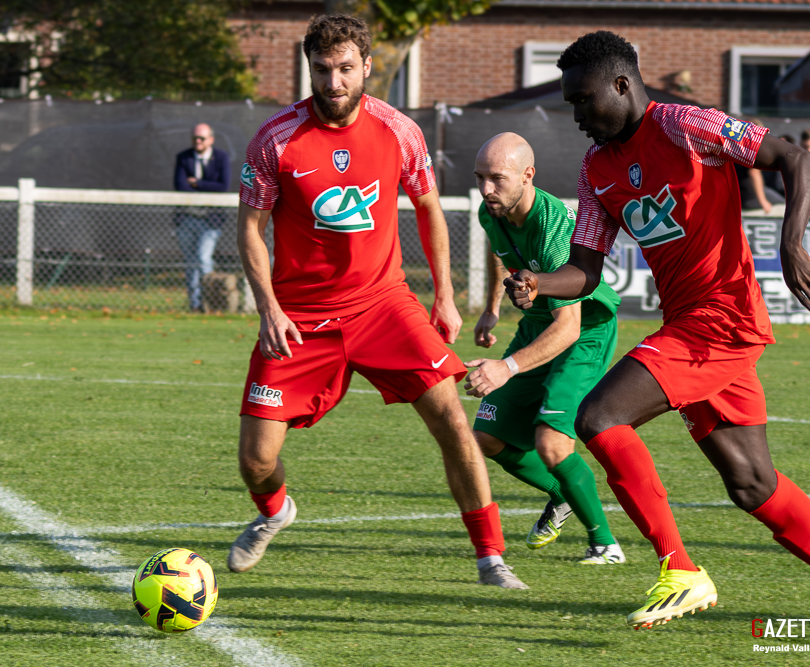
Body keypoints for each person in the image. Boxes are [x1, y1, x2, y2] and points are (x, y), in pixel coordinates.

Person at [505, 30, 810, 643]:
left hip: (722, 319)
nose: (577, 116)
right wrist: (538, 281)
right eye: (570, 104)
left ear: (621, 85)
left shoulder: (686, 125)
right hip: (689, 326)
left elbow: (795, 158)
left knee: (599, 417)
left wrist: (790, 242)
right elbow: (585, 269)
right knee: (751, 483)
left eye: (583, 100)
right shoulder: (595, 169)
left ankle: (680, 569)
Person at [229, 14, 527, 590]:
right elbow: (250, 228)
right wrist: (268, 307)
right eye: (322, 70)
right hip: (301, 318)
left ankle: (491, 558)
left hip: (383, 304)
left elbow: (429, 209)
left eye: (345, 69)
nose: (334, 82)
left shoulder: (399, 131)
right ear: (309, 69)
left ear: (367, 66)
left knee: (452, 420)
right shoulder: (276, 139)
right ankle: (274, 512)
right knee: (256, 460)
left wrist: (443, 295)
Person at [465, 132, 625, 565]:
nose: (486, 190)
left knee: (553, 445)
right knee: (487, 438)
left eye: (496, 178)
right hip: (538, 324)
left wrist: (506, 367)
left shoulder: (555, 227)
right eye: (480, 177)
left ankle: (605, 544)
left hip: (584, 329)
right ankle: (564, 494)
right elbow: (509, 261)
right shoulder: (490, 212)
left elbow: (568, 327)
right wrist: (491, 309)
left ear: (528, 175)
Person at [174, 123, 231, 311]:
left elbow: (223, 187)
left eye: (202, 138)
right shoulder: (183, 157)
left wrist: (197, 183)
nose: (197, 142)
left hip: (210, 219)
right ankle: (195, 304)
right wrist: (206, 185)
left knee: (203, 259)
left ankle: (210, 302)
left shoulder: (221, 158)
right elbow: (181, 186)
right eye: (195, 138)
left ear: (211, 140)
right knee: (190, 262)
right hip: (187, 218)